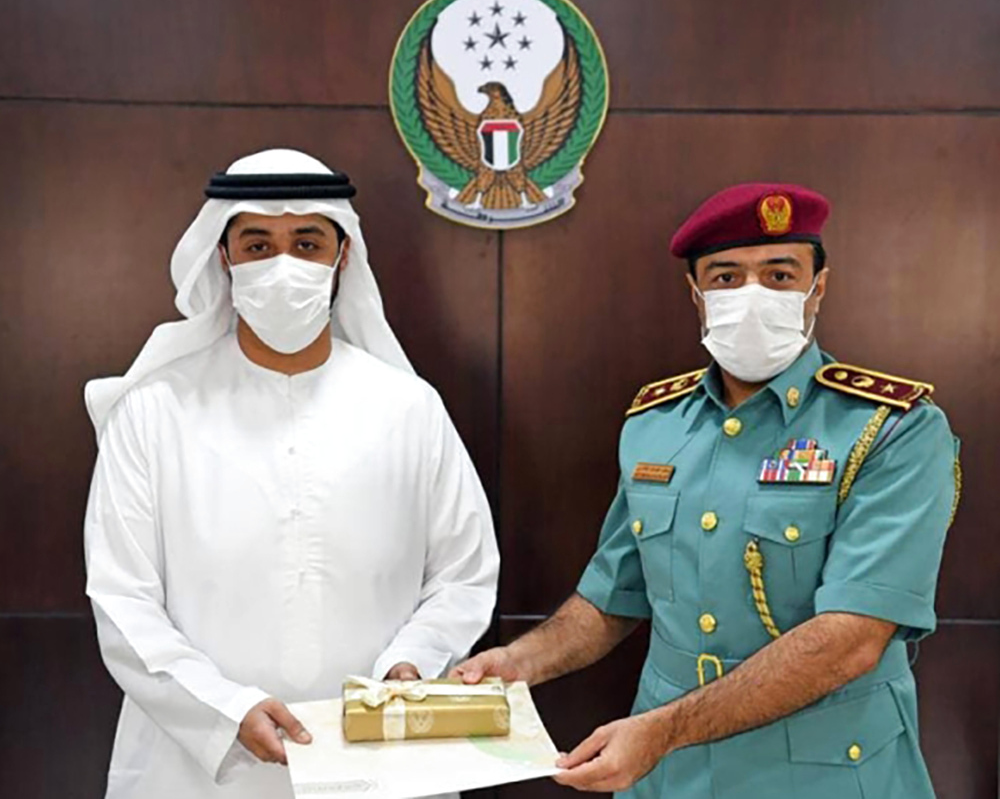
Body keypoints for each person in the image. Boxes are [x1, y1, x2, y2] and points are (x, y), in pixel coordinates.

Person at [455, 183, 959, 798]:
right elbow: (614, 595)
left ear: (817, 287)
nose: (753, 295)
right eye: (726, 277)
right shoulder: (656, 424)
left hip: (822, 770)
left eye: (779, 275)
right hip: (668, 775)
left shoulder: (892, 429)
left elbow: (849, 641)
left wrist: (664, 731)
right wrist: (518, 664)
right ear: (696, 294)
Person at [84, 148, 499, 799]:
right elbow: (122, 600)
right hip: (196, 770)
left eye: (307, 243)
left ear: (341, 257)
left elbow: (463, 573)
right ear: (225, 259)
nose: (282, 265)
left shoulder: (409, 409)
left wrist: (412, 663)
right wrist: (225, 710)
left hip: (380, 760)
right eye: (258, 245)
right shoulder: (152, 411)